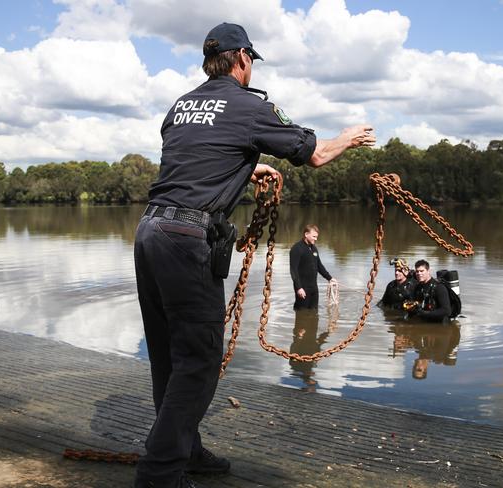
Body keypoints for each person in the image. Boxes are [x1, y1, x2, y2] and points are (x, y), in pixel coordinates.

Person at [133, 22, 376, 488]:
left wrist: (246, 168)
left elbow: (196, 167)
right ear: (243, 59)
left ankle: (185, 450)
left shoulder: (180, 106)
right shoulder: (248, 106)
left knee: (168, 357)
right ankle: (159, 475)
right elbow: (318, 155)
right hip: (187, 239)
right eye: (250, 61)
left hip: (150, 232)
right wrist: (347, 136)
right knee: (200, 362)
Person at [289, 224, 335, 310]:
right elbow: (293, 270)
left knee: (314, 312)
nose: (316, 239)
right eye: (314, 236)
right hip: (303, 288)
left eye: (317, 237)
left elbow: (319, 266)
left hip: (314, 288)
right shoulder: (296, 249)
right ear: (306, 234)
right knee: (302, 313)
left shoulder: (314, 248)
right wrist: (299, 288)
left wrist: (329, 278)